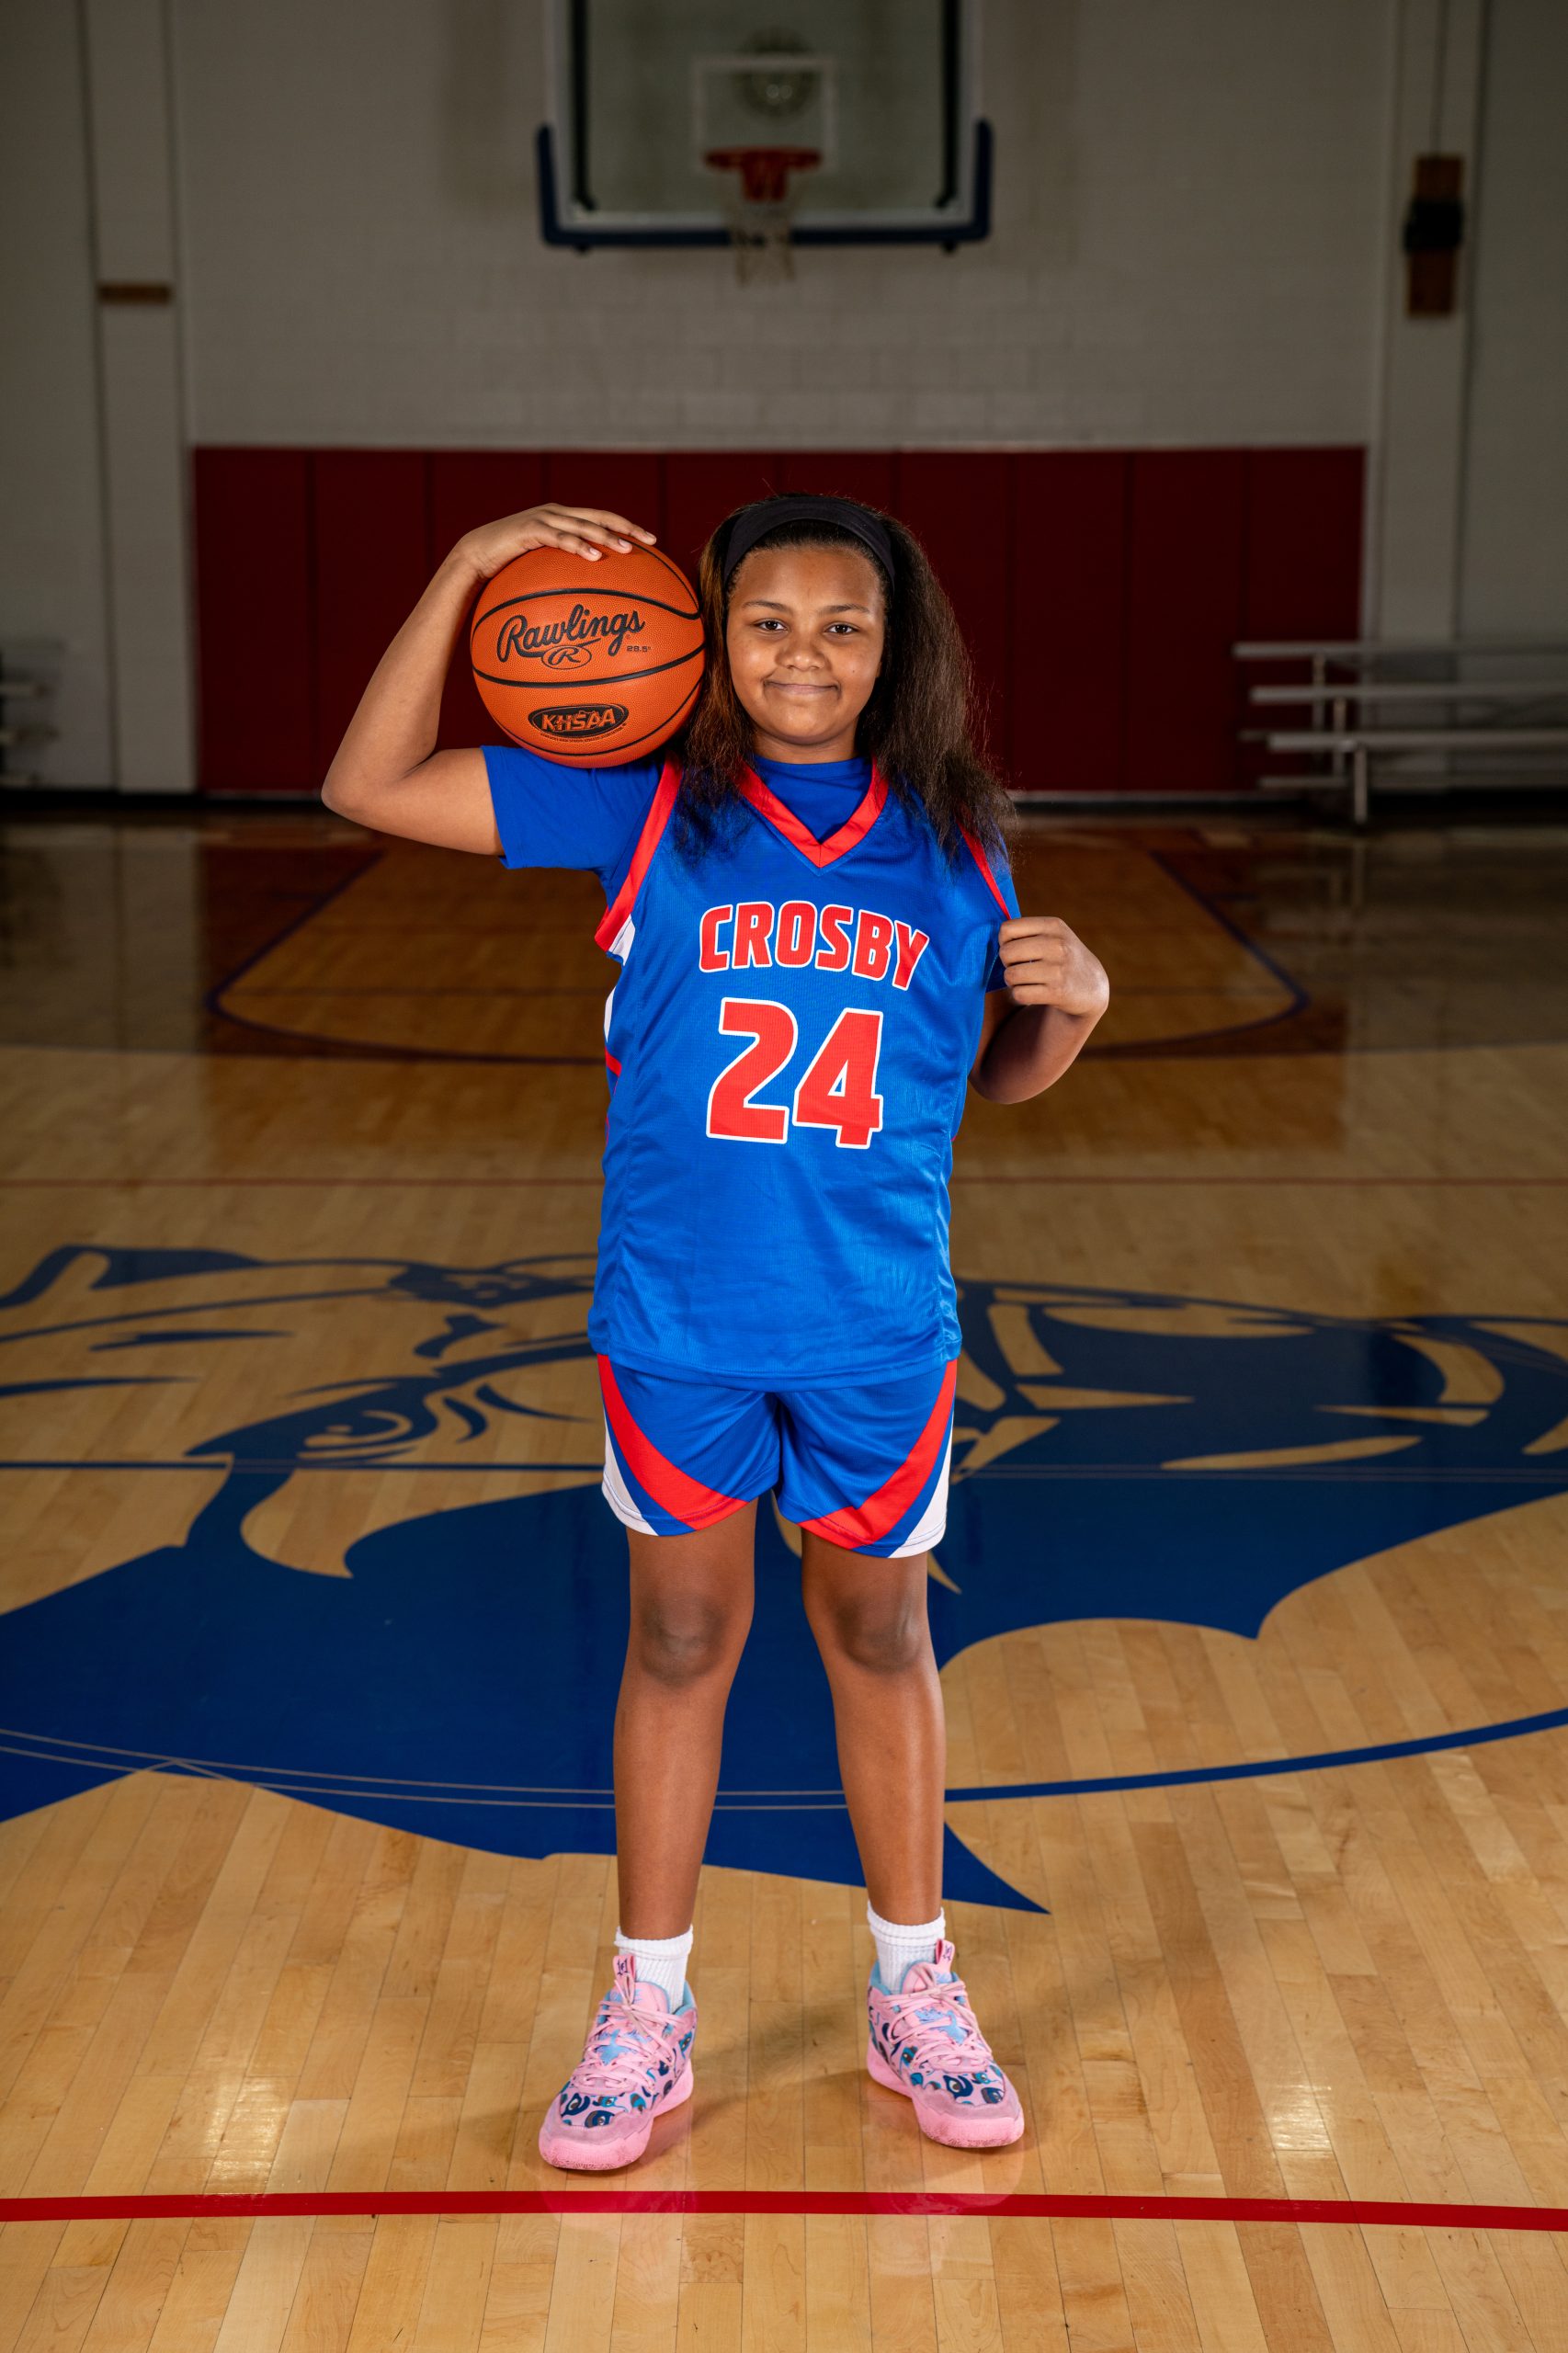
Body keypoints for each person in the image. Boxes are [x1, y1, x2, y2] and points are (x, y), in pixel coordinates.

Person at [323, 491, 1109, 2170]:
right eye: (767, 621)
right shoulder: (638, 805)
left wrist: (1074, 1018)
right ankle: (647, 2007)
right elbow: (364, 786)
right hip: (679, 1317)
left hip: (875, 1324)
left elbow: (981, 1078)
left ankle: (912, 1988)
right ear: (710, 632)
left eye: (842, 626)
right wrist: (462, 570)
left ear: (894, 649)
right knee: (679, 1643)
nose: (802, 655)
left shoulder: (958, 836)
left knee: (881, 1640)